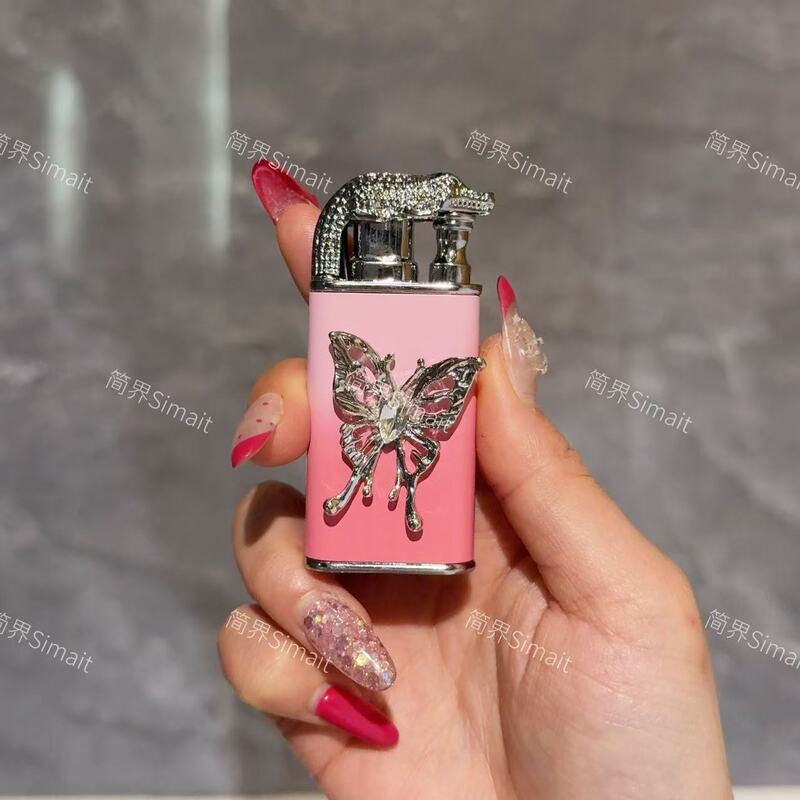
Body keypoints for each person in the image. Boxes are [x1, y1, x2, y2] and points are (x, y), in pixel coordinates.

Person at [217, 163, 733, 799]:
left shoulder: (399, 333)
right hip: (427, 661)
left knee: (363, 462)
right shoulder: (370, 328)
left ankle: (365, 493)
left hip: (459, 582)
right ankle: (371, 495)